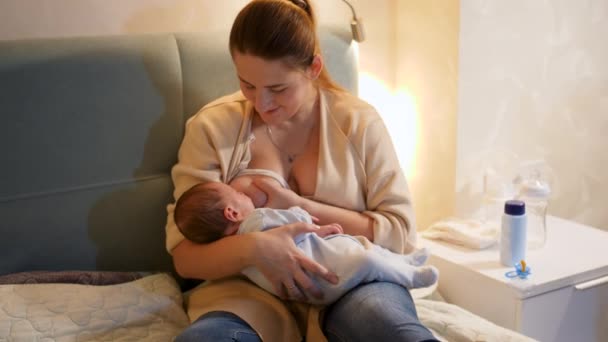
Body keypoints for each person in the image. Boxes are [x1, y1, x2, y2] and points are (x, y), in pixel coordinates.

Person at [167, 0, 440, 341]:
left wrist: (299, 205)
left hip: (350, 282)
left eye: (278, 89)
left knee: (394, 332)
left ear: (313, 68)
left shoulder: (359, 124)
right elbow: (186, 257)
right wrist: (256, 248)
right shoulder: (212, 128)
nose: (261, 104)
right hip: (244, 292)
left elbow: (399, 233)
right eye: (247, 85)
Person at [174, 181, 438, 305]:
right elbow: (295, 220)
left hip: (311, 291)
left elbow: (396, 228)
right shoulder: (256, 221)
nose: (243, 193)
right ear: (232, 213)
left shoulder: (236, 259)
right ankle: (411, 275)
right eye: (237, 194)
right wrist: (303, 213)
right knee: (367, 258)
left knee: (365, 252)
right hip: (325, 272)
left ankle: (407, 263)